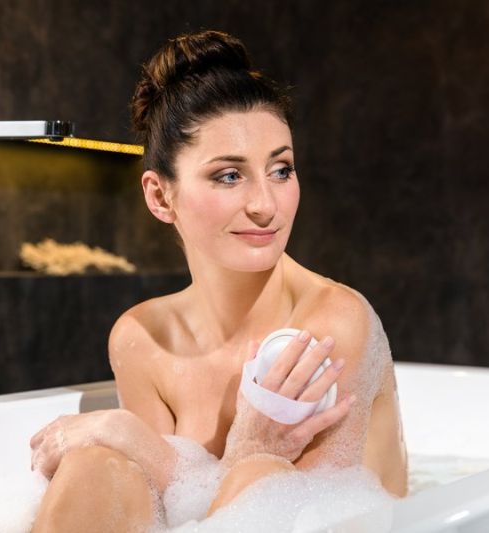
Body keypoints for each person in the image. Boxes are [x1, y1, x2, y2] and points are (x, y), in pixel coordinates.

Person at [29, 30, 408, 532]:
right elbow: (169, 517)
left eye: (281, 170)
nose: (265, 205)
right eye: (230, 176)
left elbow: (312, 517)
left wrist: (128, 432)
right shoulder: (142, 339)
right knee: (94, 466)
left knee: (260, 472)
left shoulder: (332, 323)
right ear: (160, 197)